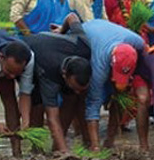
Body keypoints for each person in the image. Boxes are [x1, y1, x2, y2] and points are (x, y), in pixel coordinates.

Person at [62, 18, 145, 151]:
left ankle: (110, 141)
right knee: (83, 94)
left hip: (102, 30)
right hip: (85, 38)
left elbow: (145, 55)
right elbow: (93, 105)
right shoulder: (98, 68)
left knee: (120, 95)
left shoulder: (137, 42)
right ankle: (88, 140)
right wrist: (96, 148)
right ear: (112, 65)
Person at [23, 20, 93, 153]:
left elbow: (72, 17)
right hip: (35, 54)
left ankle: (57, 147)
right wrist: (66, 153)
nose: (78, 92)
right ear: (65, 75)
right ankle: (37, 148)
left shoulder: (84, 47)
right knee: (38, 104)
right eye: (75, 87)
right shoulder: (49, 74)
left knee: (72, 98)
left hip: (55, 48)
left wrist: (62, 30)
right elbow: (52, 117)